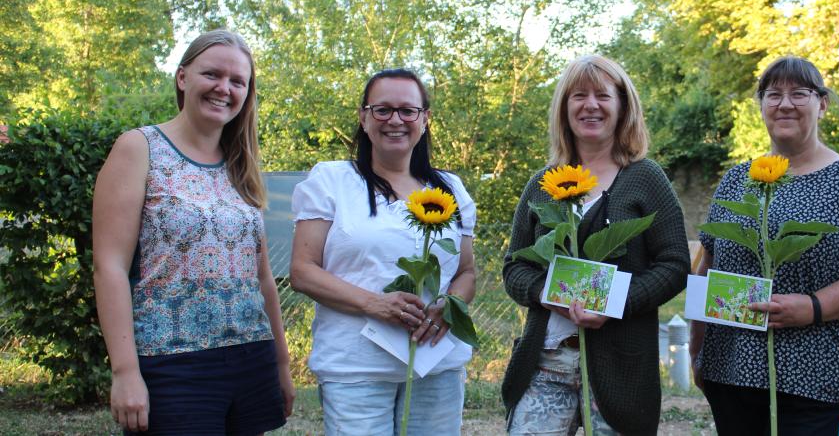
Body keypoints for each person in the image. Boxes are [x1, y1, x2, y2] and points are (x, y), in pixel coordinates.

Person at [92, 29, 294, 434]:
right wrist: (125, 371)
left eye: (238, 81)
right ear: (183, 77)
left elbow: (263, 279)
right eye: (213, 75)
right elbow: (109, 266)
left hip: (250, 359)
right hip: (172, 363)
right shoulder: (139, 147)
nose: (225, 88)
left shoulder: (242, 164)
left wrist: (282, 364)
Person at [690, 56, 839, 435]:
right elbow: (707, 263)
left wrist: (813, 307)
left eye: (799, 93)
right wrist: (697, 350)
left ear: (821, 104)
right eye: (773, 94)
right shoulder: (737, 179)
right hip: (731, 370)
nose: (785, 104)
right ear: (761, 106)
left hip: (814, 376)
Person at [501, 54, 690, 436]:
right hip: (546, 363)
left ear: (623, 106)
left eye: (602, 95)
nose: (590, 105)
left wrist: (616, 303)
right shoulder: (542, 185)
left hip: (620, 365)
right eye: (578, 96)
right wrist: (544, 293)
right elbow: (514, 268)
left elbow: (674, 265)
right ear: (564, 108)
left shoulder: (645, 179)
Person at [289, 68, 477, 435]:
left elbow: (466, 272)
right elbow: (303, 270)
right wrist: (375, 304)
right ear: (363, 117)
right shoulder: (332, 181)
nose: (396, 120)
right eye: (382, 110)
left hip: (435, 365)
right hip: (355, 369)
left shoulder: (450, 188)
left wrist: (449, 308)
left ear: (425, 118)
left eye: (408, 111)